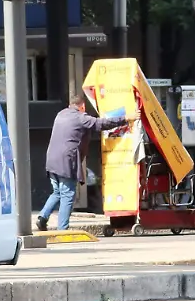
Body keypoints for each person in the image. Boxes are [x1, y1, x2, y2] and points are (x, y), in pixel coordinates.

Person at [36, 94, 127, 231]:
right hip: (66, 161)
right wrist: (125, 118)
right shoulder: (80, 117)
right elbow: (100, 124)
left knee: (57, 192)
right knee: (67, 194)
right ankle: (62, 229)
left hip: (52, 160)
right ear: (82, 106)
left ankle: (42, 217)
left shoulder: (61, 114)